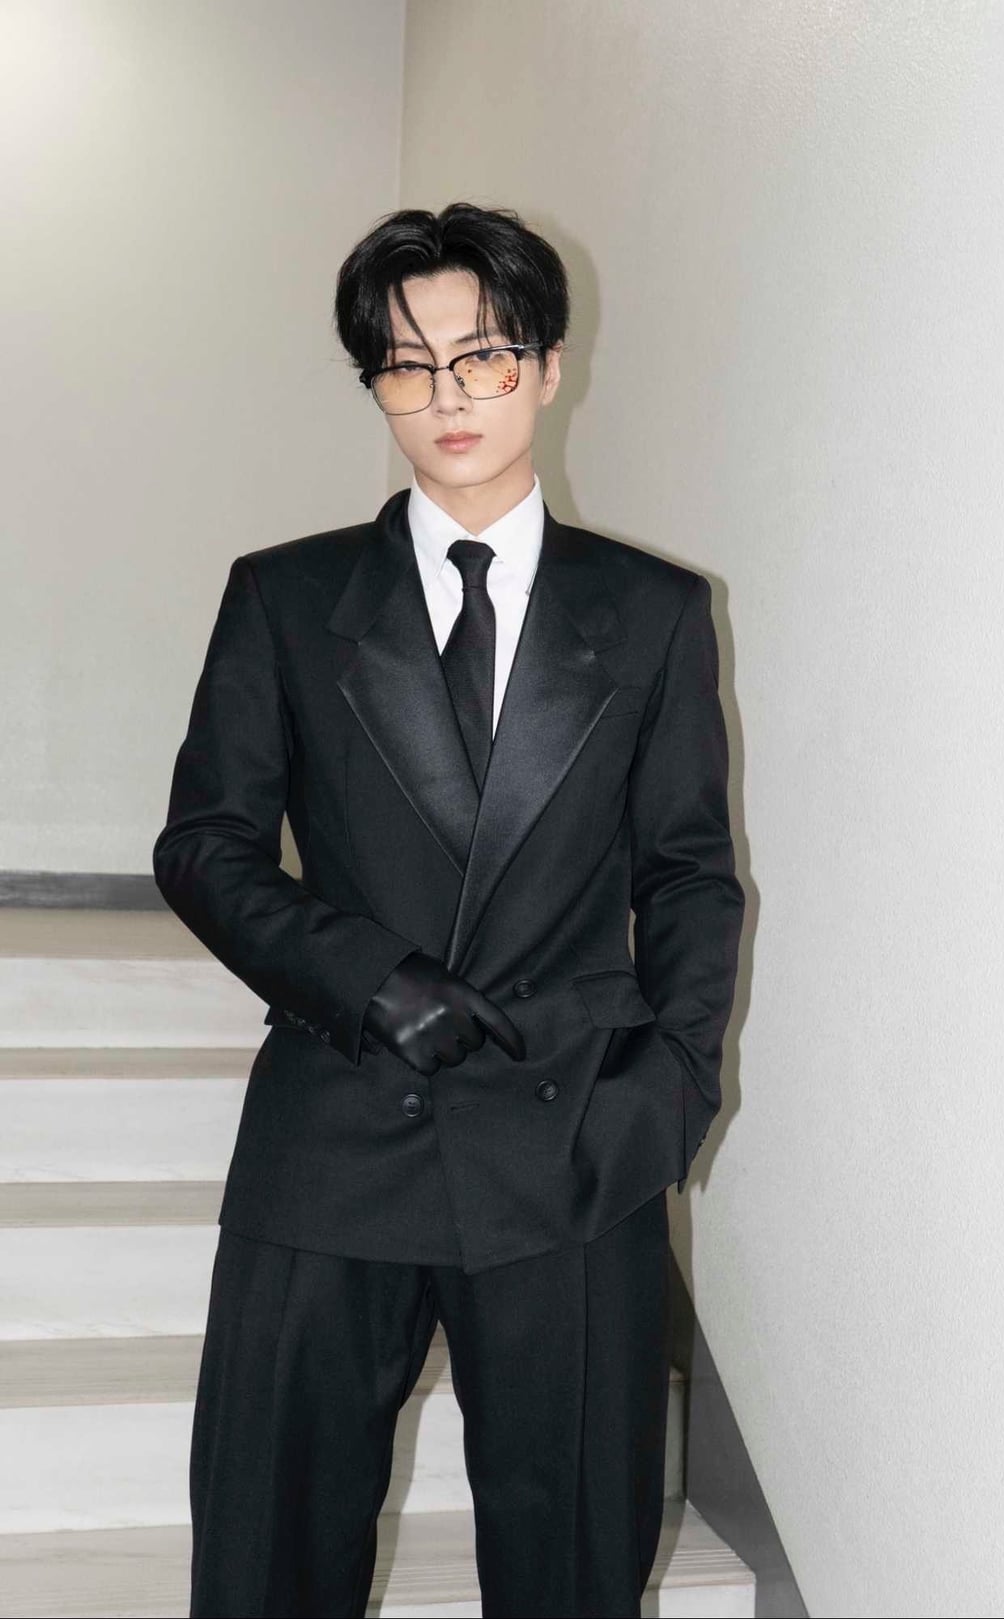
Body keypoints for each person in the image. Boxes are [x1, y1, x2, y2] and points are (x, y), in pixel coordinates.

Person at [152, 200, 745, 1618]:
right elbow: (206, 847)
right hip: (337, 1118)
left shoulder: (653, 610)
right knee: (270, 1544)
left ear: (548, 366)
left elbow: (687, 873)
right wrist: (363, 975)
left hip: (572, 1133)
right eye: (407, 365)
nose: (448, 396)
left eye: (483, 355)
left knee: (574, 1560)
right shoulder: (286, 598)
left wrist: (672, 1090)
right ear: (374, 384)